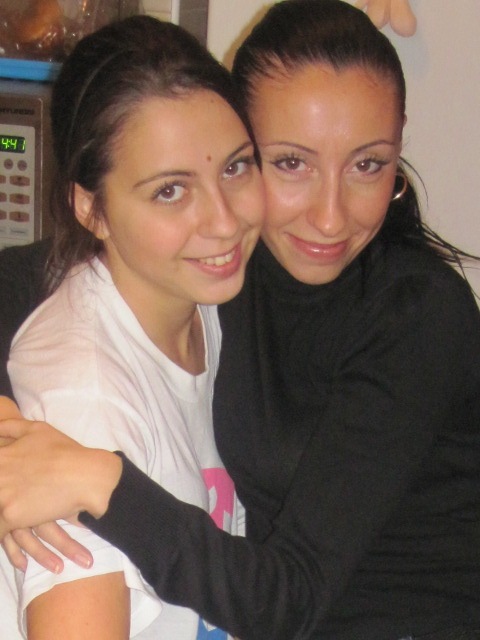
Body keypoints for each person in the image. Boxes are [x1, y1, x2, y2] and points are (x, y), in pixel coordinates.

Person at [1, 1, 480, 638]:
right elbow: (30, 284)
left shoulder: (417, 314)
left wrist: (99, 478)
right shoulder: (224, 263)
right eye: (290, 163)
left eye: (368, 164)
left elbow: (291, 598)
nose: (330, 217)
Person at [0, 12, 264, 640]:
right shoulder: (85, 403)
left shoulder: (203, 299)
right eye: (170, 191)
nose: (224, 222)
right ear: (91, 209)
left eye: (235, 168)